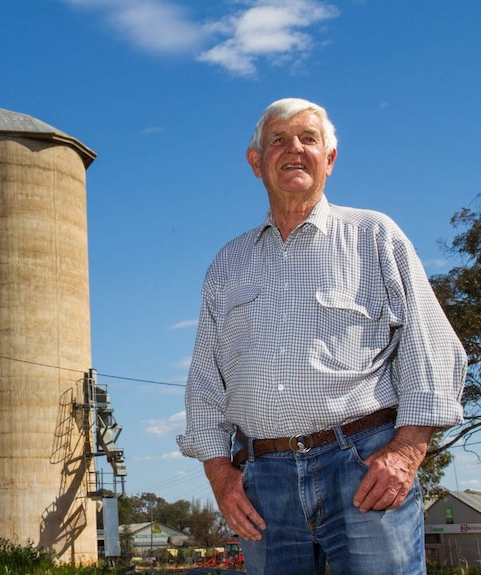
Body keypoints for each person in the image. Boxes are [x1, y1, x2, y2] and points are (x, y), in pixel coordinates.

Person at [176, 97, 466, 575]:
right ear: (256, 162)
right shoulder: (228, 263)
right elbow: (206, 381)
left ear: (329, 159)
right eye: (278, 140)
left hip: (363, 467)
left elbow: (431, 344)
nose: (294, 149)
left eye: (308, 139)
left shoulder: (374, 235)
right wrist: (220, 474)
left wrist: (408, 449)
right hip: (262, 483)